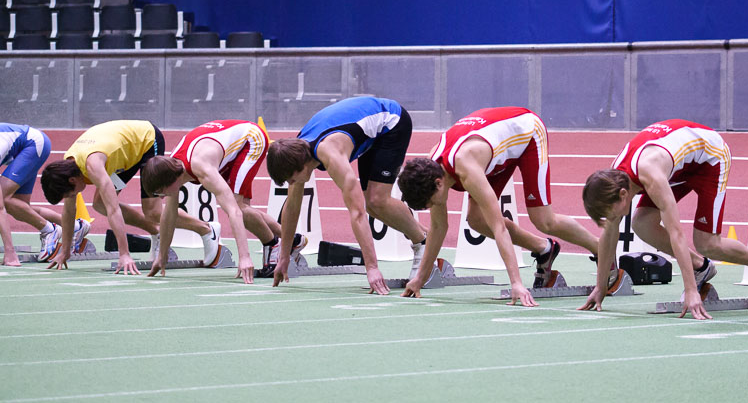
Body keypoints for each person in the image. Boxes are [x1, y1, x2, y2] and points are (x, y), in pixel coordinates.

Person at [397, 106, 600, 307]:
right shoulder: (431, 171)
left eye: (431, 202)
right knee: (476, 220)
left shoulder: (466, 168)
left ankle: (600, 248)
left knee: (543, 220)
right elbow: (439, 227)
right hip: (493, 150)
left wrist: (516, 283)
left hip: (527, 134)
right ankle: (544, 249)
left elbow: (498, 227)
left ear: (439, 183)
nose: (434, 206)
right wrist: (419, 279)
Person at [579, 119, 748, 318]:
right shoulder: (613, 180)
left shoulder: (651, 176)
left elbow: (676, 233)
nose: (610, 218)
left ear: (623, 195)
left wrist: (691, 290)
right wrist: (601, 286)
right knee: (642, 224)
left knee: (706, 243)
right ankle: (699, 267)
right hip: (679, 165)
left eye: (609, 213)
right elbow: (609, 232)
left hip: (710, 158)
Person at [266, 96, 425, 293]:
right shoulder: (297, 151)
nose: (291, 184)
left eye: (291, 179)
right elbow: (292, 206)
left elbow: (357, 213)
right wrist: (284, 257)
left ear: (301, 165)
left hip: (391, 122)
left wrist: (372, 268)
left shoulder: (331, 154)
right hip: (366, 126)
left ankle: (423, 244)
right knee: (374, 203)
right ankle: (425, 236)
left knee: (376, 201)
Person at [39, 120, 220, 274]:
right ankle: (157, 232)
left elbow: (114, 210)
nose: (74, 195)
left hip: (147, 141)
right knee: (100, 204)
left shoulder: (92, 166)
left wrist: (124, 254)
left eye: (71, 193)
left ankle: (205, 229)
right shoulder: (67, 167)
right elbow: (69, 212)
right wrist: (65, 251)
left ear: (72, 180)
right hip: (124, 158)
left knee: (152, 211)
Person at [140, 119, 305, 284]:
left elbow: (234, 212)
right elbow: (169, 215)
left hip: (250, 139)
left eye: (159, 192)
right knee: (241, 206)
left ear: (169, 181)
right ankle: (292, 240)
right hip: (225, 148)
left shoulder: (201, 167)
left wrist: (244, 258)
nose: (161, 197)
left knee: (237, 205)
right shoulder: (172, 167)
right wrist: (161, 257)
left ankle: (273, 244)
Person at [0, 123, 71, 266]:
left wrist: (10, 252)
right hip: (30, 144)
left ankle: (48, 230)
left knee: (5, 199)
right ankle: (74, 227)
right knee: (19, 206)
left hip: (33, 144)